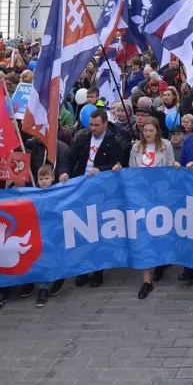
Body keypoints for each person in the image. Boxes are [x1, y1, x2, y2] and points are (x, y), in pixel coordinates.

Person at [58, 109, 125, 290]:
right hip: (81, 188)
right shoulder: (83, 138)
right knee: (80, 229)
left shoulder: (114, 141)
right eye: (91, 125)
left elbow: (118, 165)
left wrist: (101, 169)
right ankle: (82, 268)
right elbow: (68, 158)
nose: (93, 128)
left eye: (97, 125)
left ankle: (97, 270)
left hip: (100, 192)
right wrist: (64, 171)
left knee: (97, 230)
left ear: (105, 124)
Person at [129, 118, 174, 298]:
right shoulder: (135, 148)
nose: (147, 133)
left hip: (160, 197)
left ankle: (161, 263)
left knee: (159, 232)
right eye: (145, 130)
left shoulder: (166, 146)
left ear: (157, 131)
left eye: (150, 130)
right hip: (141, 197)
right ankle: (146, 279)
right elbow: (131, 172)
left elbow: (170, 171)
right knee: (143, 236)